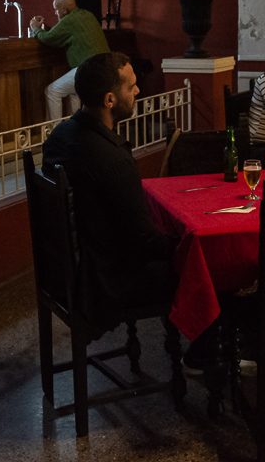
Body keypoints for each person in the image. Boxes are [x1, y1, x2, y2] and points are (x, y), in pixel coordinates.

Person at [42, 52, 177, 336]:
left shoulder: (59, 136)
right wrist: (179, 246)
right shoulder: (113, 159)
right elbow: (142, 239)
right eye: (131, 86)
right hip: (101, 283)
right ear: (109, 100)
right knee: (198, 265)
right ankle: (204, 351)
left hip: (59, 273)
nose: (138, 91)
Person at [30, 0, 110, 120]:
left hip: (89, 70)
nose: (55, 13)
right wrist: (44, 27)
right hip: (105, 68)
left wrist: (35, 29)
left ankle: (55, 130)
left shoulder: (69, 20)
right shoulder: (87, 14)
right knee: (74, 92)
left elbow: (49, 38)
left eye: (56, 10)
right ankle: (75, 127)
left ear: (64, 10)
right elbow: (60, 33)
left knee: (52, 91)